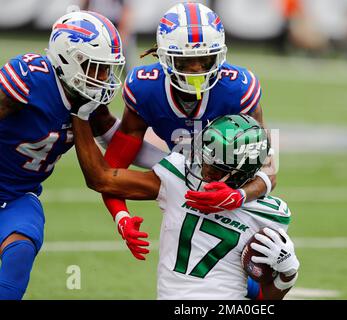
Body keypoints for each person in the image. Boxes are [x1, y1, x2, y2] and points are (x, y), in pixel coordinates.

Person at [0, 9, 159, 300]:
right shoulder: (29, 80)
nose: (103, 77)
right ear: (67, 58)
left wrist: (174, 164)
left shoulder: (86, 96)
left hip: (19, 194)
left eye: (106, 68)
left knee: (21, 247)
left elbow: (116, 139)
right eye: (95, 67)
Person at [102, 0, 277, 264]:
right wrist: (121, 216)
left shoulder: (238, 90)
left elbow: (270, 170)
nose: (197, 69)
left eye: (205, 59)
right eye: (187, 61)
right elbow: (111, 171)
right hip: (176, 173)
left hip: (231, 183)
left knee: (269, 258)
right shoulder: (146, 89)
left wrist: (238, 195)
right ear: (165, 57)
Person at [72, 112, 300, 299]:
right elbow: (102, 180)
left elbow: (263, 299)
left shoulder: (269, 215)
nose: (204, 169)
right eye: (204, 157)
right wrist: (79, 113)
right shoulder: (179, 176)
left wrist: (288, 273)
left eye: (216, 167)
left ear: (242, 173)